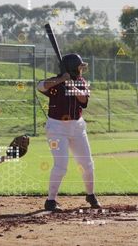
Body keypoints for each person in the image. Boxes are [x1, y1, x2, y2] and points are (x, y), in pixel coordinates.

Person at [37, 53, 101, 211]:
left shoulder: (81, 82)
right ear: (72, 68)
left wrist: (71, 86)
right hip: (56, 129)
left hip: (78, 127)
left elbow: (84, 100)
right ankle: (50, 201)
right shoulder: (56, 84)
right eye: (79, 66)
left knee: (87, 164)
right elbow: (40, 86)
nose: (81, 69)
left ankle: (90, 195)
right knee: (61, 165)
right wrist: (61, 80)